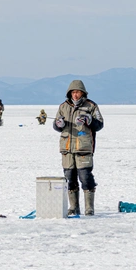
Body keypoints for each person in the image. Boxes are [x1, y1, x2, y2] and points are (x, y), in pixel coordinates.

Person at [53, 80, 104, 216]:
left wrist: (89, 120)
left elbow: (99, 125)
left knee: (85, 177)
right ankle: (74, 207)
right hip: (67, 148)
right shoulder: (63, 107)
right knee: (69, 177)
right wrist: (59, 124)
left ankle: (89, 208)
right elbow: (56, 125)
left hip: (83, 148)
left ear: (83, 92)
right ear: (70, 93)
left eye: (78, 92)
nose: (75, 95)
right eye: (73, 92)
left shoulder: (91, 106)